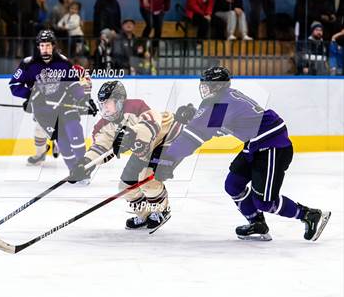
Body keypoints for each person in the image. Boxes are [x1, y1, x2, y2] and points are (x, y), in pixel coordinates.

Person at [155, 66, 331, 242]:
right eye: (203, 84)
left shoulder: (221, 104)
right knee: (233, 184)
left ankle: (309, 215)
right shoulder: (224, 98)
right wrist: (194, 118)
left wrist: (168, 159)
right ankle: (257, 223)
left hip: (272, 145)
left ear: (218, 86)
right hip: (256, 144)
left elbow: (194, 137)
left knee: (265, 202)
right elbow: (212, 127)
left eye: (208, 84)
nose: (204, 88)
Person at [68, 81, 196, 231]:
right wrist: (86, 163)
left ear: (120, 101)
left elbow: (151, 122)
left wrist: (133, 133)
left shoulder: (135, 106)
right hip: (144, 149)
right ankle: (145, 215)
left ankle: (162, 210)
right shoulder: (103, 125)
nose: (104, 107)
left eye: (108, 103)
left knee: (147, 179)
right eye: (102, 103)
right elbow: (100, 147)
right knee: (126, 186)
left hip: (167, 139)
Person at [8, 30, 97, 174]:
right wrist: (30, 96)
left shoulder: (63, 62)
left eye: (48, 45)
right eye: (42, 45)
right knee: (60, 139)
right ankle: (72, 169)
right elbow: (14, 86)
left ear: (53, 46)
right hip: (43, 110)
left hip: (64, 105)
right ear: (38, 47)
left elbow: (73, 84)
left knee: (75, 132)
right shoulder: (28, 64)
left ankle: (83, 169)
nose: (45, 49)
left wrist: (85, 99)